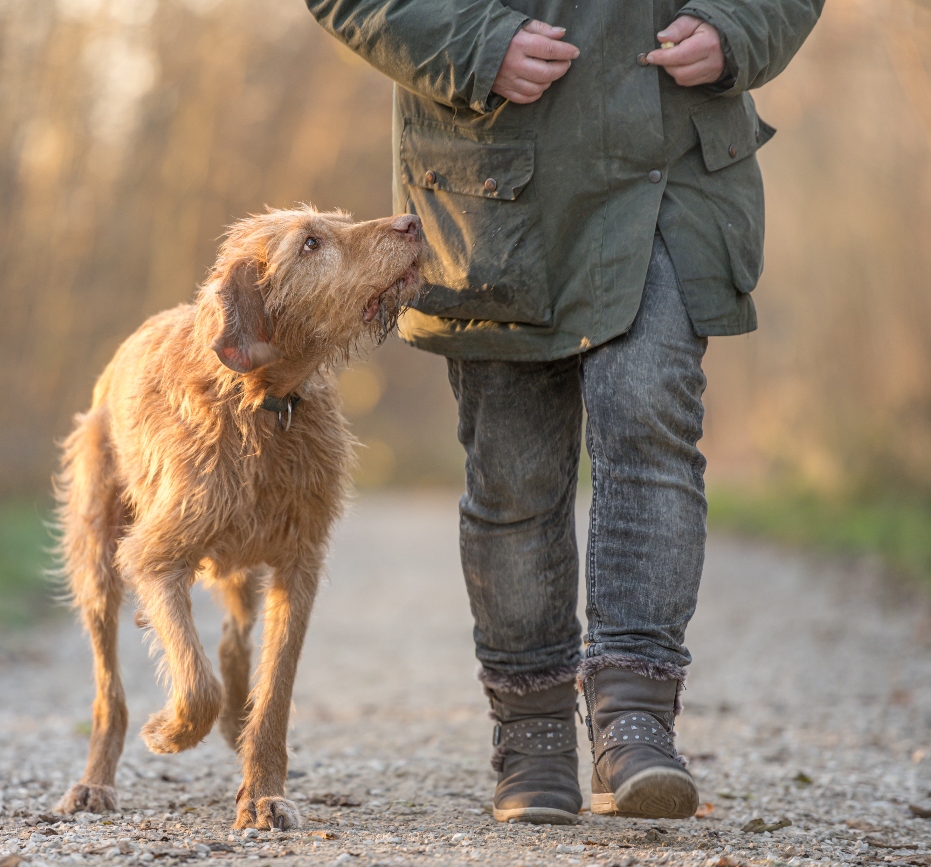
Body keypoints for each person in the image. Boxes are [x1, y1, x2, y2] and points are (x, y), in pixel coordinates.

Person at [304, 1, 824, 823]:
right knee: (514, 473)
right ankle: (533, 729)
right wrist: (475, 43)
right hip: (495, 181)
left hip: (670, 168)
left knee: (649, 418)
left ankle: (636, 720)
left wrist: (737, 26)